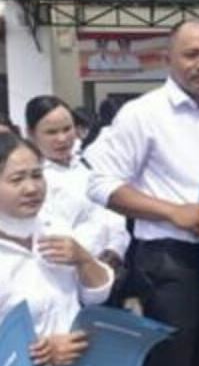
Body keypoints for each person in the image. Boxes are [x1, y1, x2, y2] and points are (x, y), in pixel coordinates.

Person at [84, 20, 199, 366]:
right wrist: (172, 212)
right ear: (168, 58)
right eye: (191, 54)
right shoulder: (143, 113)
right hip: (168, 259)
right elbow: (100, 184)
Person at [0, 133, 113, 366]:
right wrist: (39, 353)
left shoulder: (53, 227)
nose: (32, 188)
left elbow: (96, 296)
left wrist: (84, 260)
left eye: (37, 175)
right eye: (17, 179)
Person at [25, 95, 129, 270]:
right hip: (62, 273)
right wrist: (86, 261)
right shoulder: (33, 179)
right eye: (51, 132)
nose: (62, 138)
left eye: (67, 129)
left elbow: (113, 211)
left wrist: (115, 249)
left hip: (107, 271)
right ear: (31, 134)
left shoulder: (88, 164)